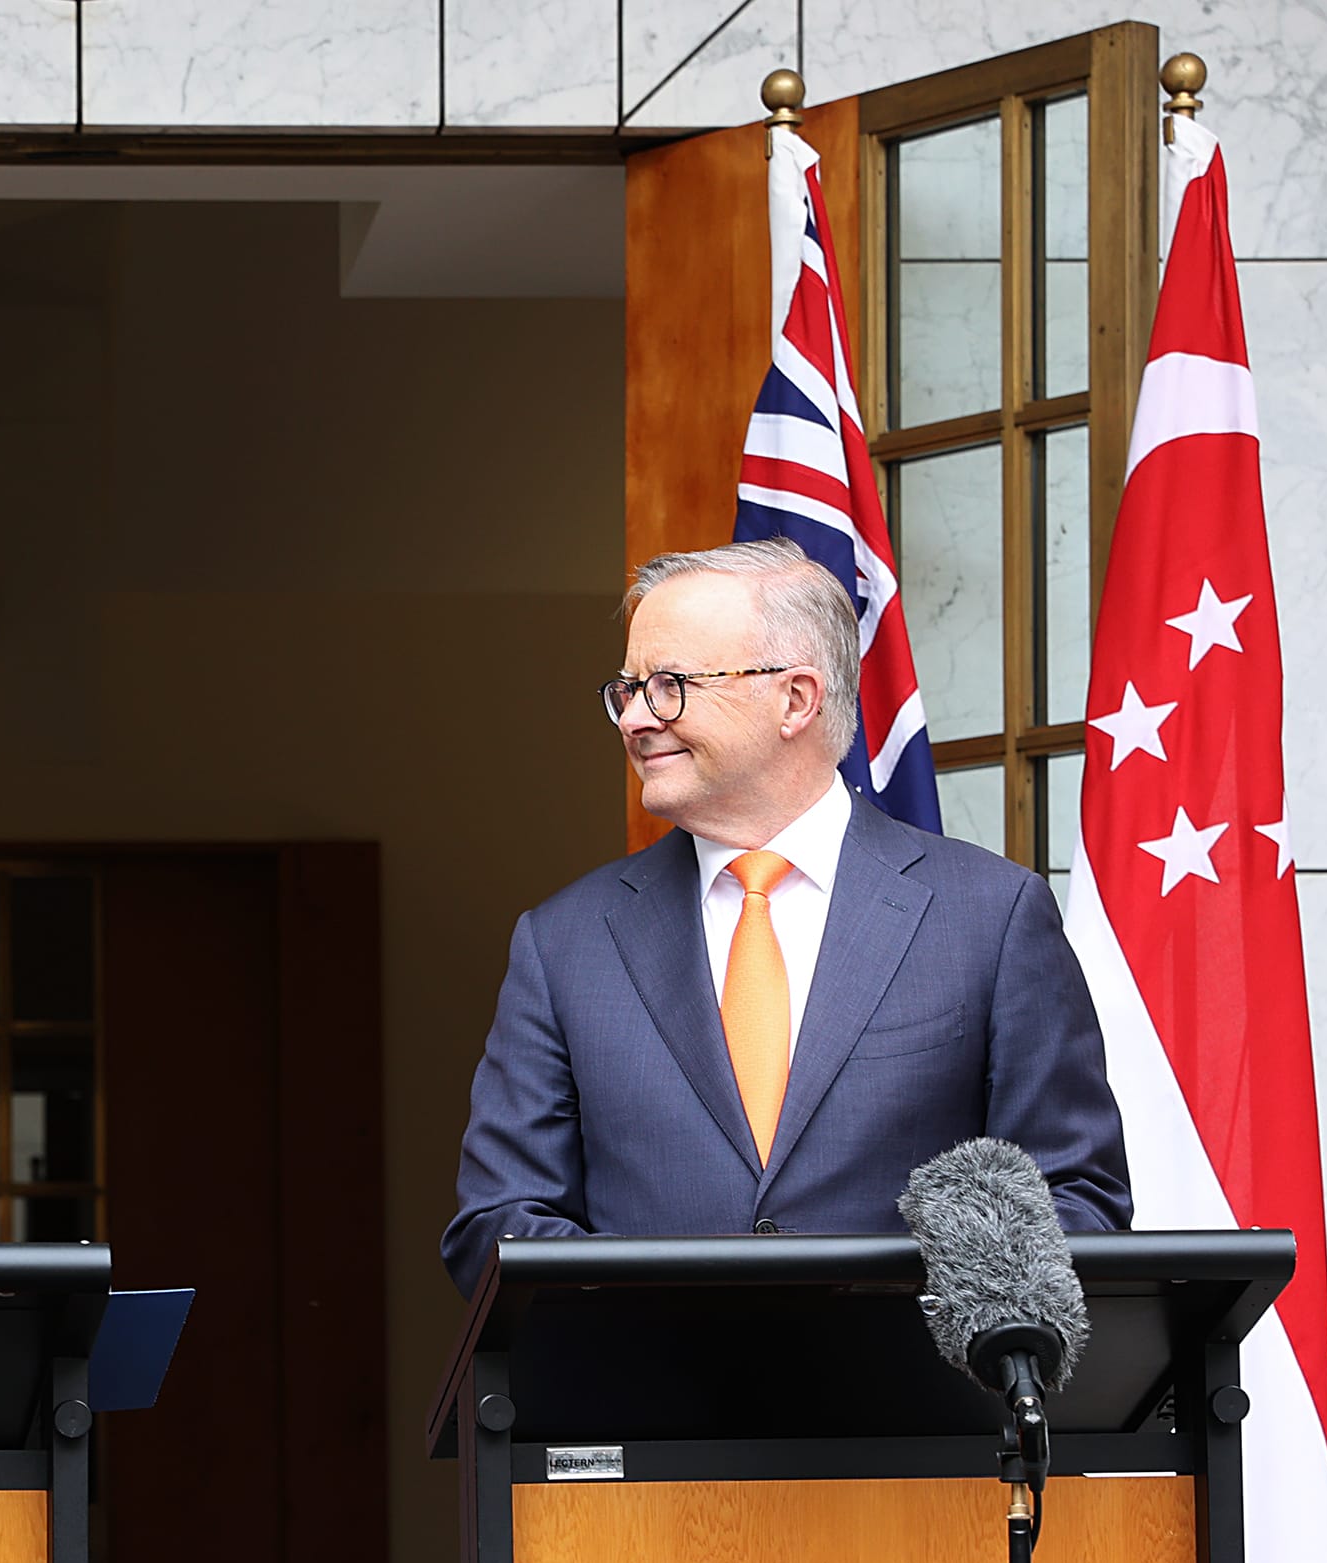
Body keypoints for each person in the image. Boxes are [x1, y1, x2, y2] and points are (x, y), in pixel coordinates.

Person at [442, 539, 1127, 1292]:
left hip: (912, 1404)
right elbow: (498, 1222)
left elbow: (1077, 1202)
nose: (634, 718)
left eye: (670, 684)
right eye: (628, 689)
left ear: (795, 699)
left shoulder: (989, 917)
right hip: (652, 1401)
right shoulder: (563, 943)